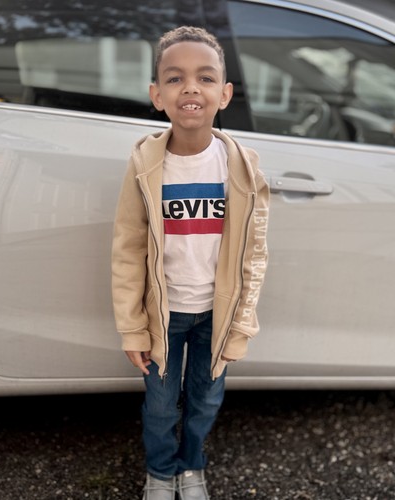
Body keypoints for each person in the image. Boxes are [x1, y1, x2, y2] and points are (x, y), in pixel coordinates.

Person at [111, 26, 269, 500]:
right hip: (164, 317)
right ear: (157, 95)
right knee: (161, 407)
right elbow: (127, 249)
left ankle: (191, 466)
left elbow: (255, 253)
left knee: (204, 401)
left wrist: (241, 325)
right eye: (175, 78)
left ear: (225, 93)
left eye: (205, 77)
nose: (190, 88)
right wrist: (132, 328)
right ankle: (160, 472)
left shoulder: (242, 166)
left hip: (216, 317)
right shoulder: (145, 164)